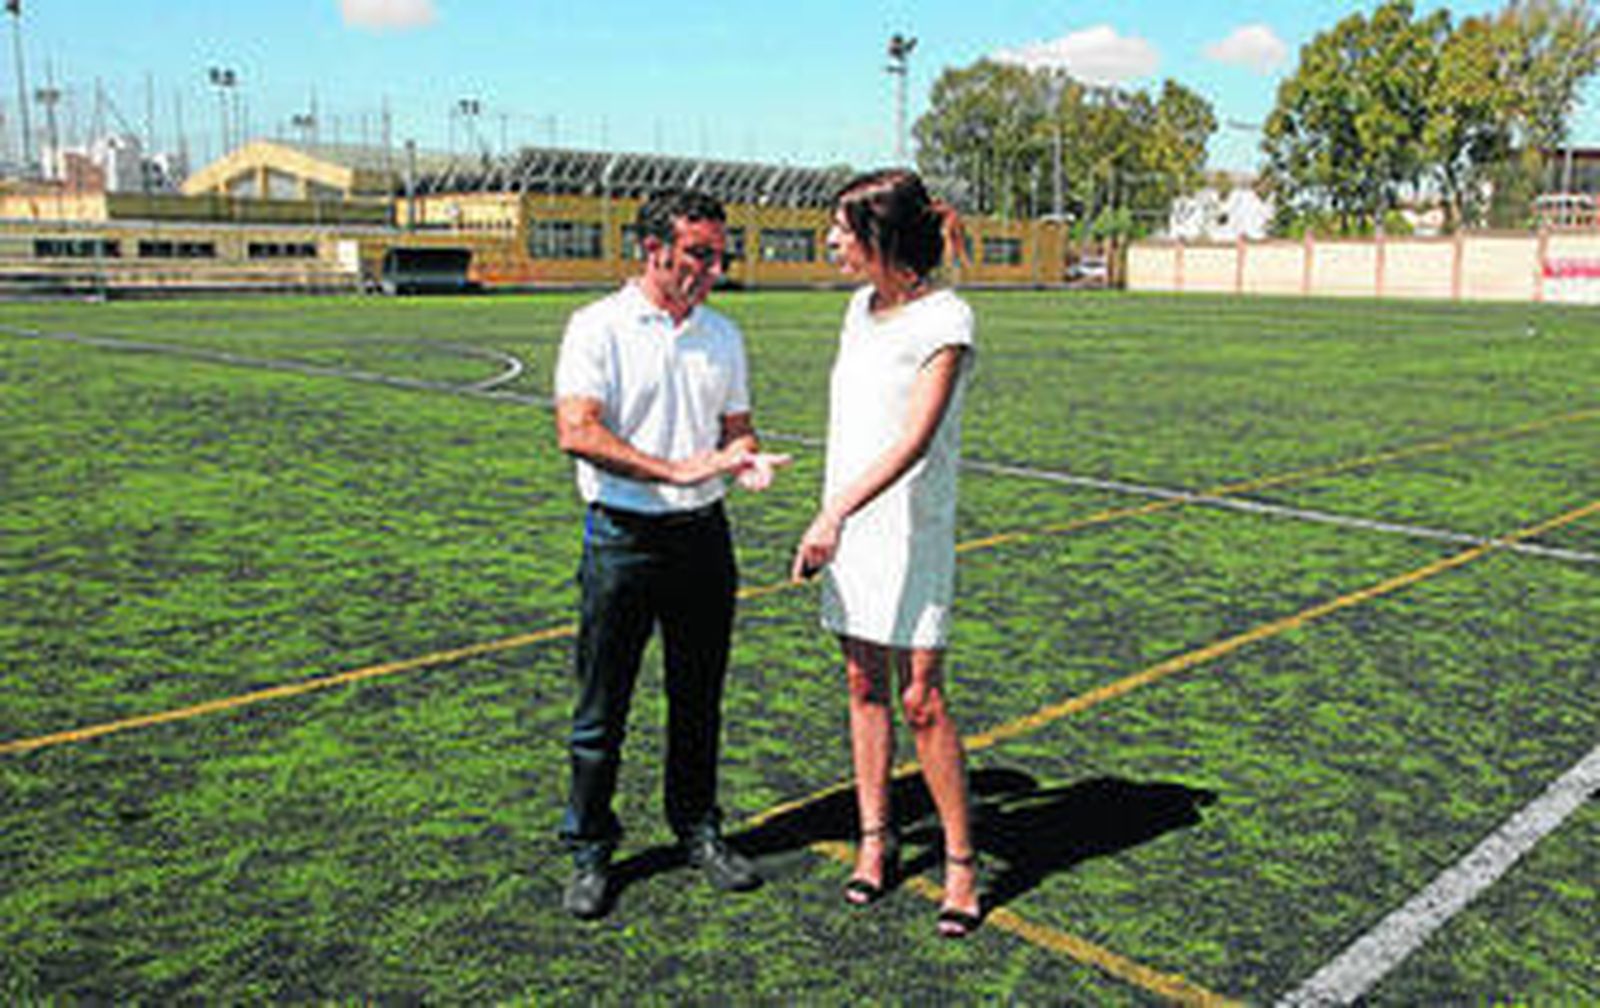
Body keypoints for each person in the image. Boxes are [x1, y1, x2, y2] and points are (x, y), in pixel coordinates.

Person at [553, 188, 788, 920]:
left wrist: (743, 461)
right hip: (622, 537)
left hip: (704, 541)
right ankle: (591, 850)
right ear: (653, 250)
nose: (713, 268)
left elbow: (737, 428)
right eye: (699, 254)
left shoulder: (723, 334)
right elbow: (578, 432)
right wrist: (676, 469)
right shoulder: (597, 327)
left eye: (720, 254)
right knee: (602, 709)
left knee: (698, 700)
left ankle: (697, 830)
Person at [790, 168, 982, 938]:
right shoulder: (854, 312)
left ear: (880, 237)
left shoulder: (948, 319)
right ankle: (876, 843)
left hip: (906, 529)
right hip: (847, 526)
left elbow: (915, 439)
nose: (831, 241)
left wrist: (833, 511)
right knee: (863, 681)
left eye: (842, 228)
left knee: (921, 699)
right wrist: (831, 511)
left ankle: (962, 864)